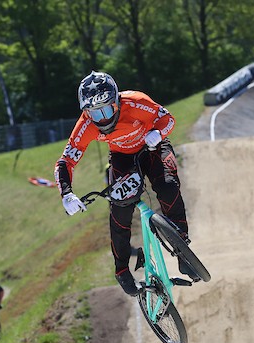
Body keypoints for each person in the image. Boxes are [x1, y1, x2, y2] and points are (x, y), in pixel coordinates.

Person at [54, 71, 197, 297]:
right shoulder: (85, 125)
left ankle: (183, 249)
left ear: (117, 103)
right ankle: (121, 270)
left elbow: (168, 118)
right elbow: (66, 161)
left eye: (107, 110)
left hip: (153, 145)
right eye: (94, 113)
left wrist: (158, 133)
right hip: (122, 157)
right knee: (120, 210)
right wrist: (67, 194)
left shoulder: (137, 102)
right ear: (86, 112)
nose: (102, 118)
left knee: (167, 187)